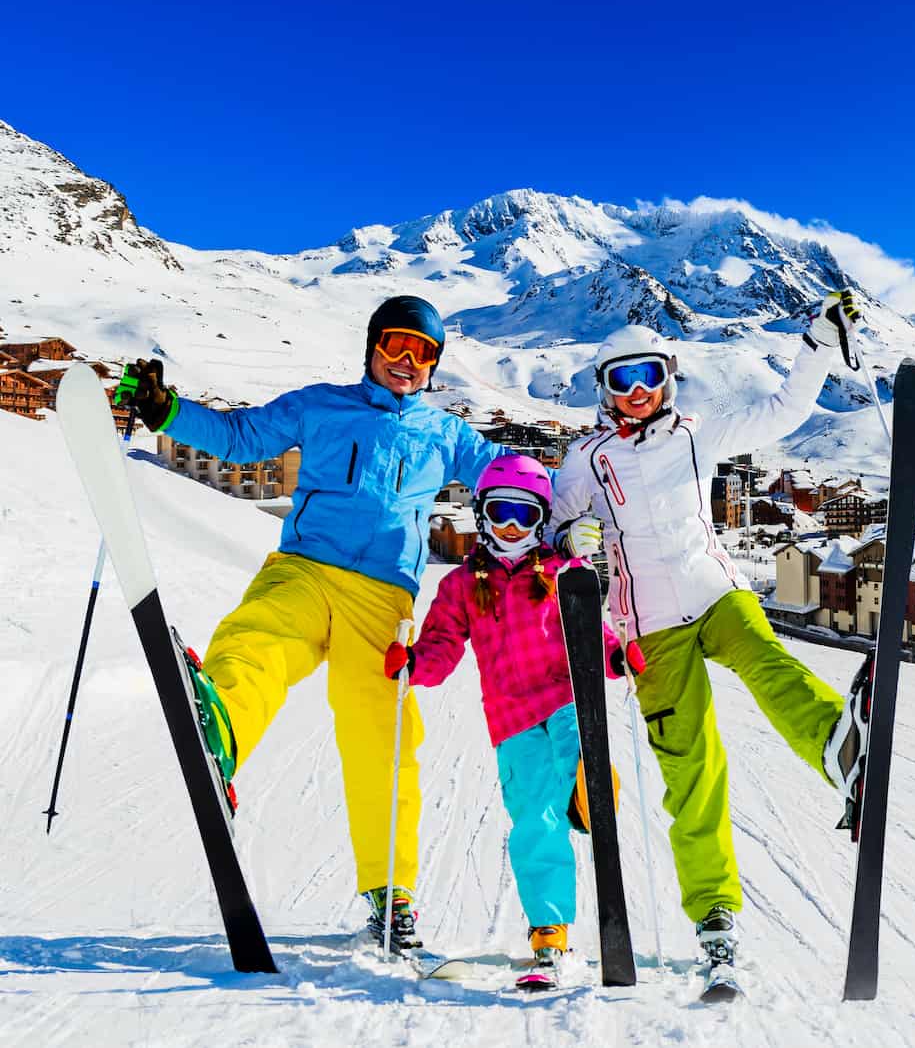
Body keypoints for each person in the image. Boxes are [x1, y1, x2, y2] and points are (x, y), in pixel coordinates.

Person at [113, 295, 503, 947]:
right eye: (395, 345)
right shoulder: (320, 404)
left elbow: (509, 474)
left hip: (383, 598)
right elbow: (241, 438)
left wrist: (572, 501)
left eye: (423, 352)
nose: (406, 361)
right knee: (259, 632)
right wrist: (165, 410)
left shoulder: (446, 435)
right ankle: (221, 726)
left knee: (382, 734)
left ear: (434, 365)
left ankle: (390, 891)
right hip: (305, 567)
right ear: (373, 346)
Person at [548, 292, 869, 982]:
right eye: (621, 381)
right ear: (604, 391)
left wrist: (816, 343)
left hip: (715, 592)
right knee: (692, 770)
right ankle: (715, 914)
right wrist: (567, 536)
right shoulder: (589, 458)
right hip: (650, 628)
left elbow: (783, 410)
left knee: (766, 658)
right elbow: (551, 522)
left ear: (669, 377)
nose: (637, 394)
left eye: (648, 377)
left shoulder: (699, 432)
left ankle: (838, 748)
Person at [384, 454, 641, 987]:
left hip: (569, 700)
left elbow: (594, 631)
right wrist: (413, 665)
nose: (511, 527)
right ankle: (550, 932)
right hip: (512, 720)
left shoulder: (562, 570)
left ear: (541, 519)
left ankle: (593, 795)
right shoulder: (460, 587)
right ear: (481, 514)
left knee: (582, 774)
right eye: (501, 512)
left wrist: (616, 659)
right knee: (534, 823)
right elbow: (441, 647)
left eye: (525, 516)